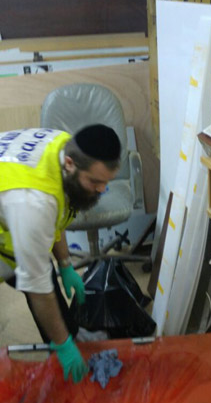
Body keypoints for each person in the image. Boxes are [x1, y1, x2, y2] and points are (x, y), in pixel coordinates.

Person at [0, 124, 121, 384]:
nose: (102, 191)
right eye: (95, 182)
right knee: (39, 281)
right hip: (15, 207)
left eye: (106, 183)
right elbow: (37, 286)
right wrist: (63, 346)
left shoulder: (64, 144)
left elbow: (58, 212)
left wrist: (65, 264)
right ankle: (63, 343)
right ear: (70, 164)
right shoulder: (33, 203)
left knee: (44, 273)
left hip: (14, 208)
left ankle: (70, 334)